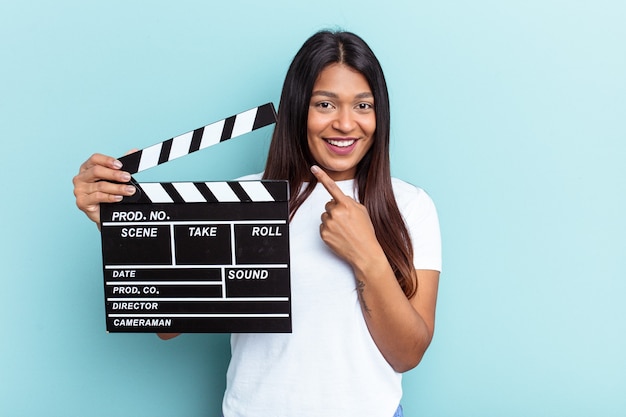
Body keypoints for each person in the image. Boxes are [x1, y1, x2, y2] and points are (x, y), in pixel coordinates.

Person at [73, 30, 441, 417]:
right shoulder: (243, 201)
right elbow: (170, 323)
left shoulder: (411, 206)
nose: (346, 124)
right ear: (299, 109)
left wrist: (367, 255)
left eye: (363, 106)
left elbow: (407, 353)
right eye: (325, 104)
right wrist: (120, 222)